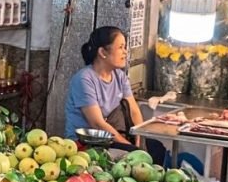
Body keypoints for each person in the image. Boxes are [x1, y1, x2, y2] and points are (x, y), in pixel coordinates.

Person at [64, 26, 165, 163]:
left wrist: (139, 140)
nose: (125, 52)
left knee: (156, 148)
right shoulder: (84, 79)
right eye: (121, 47)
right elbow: (97, 123)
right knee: (135, 155)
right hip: (88, 143)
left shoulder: (119, 76)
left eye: (125, 47)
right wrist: (129, 147)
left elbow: (134, 111)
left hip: (111, 138)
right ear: (102, 52)